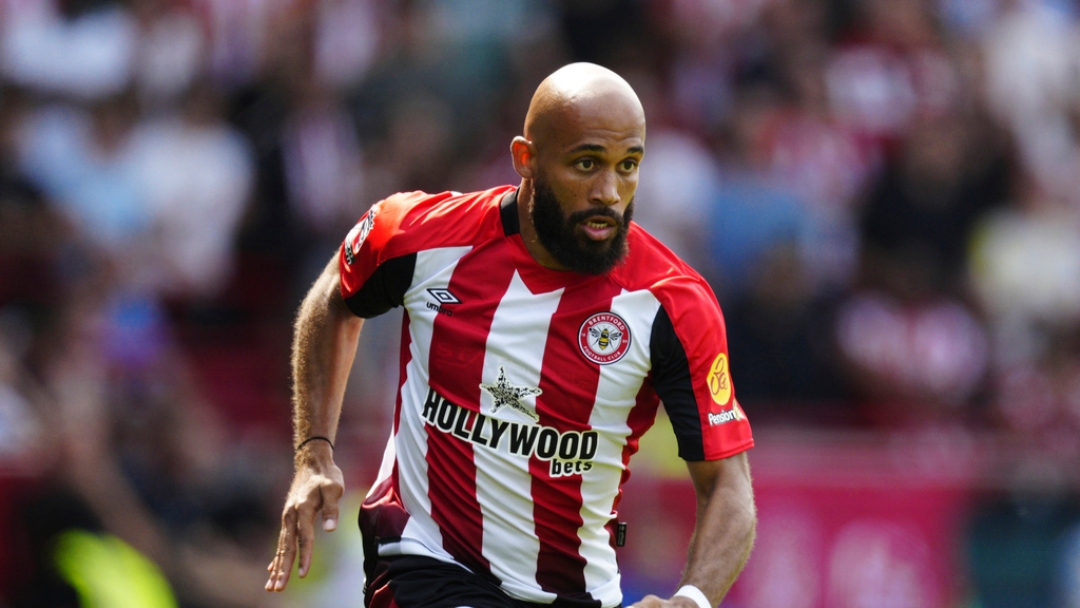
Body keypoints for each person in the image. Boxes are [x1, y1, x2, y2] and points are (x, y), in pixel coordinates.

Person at [265, 62, 756, 608]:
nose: (609, 192)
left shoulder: (671, 303)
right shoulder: (421, 237)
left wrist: (692, 599)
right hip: (427, 565)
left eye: (628, 166)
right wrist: (314, 453)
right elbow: (334, 299)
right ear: (526, 159)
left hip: (581, 593)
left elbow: (727, 483)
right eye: (586, 163)